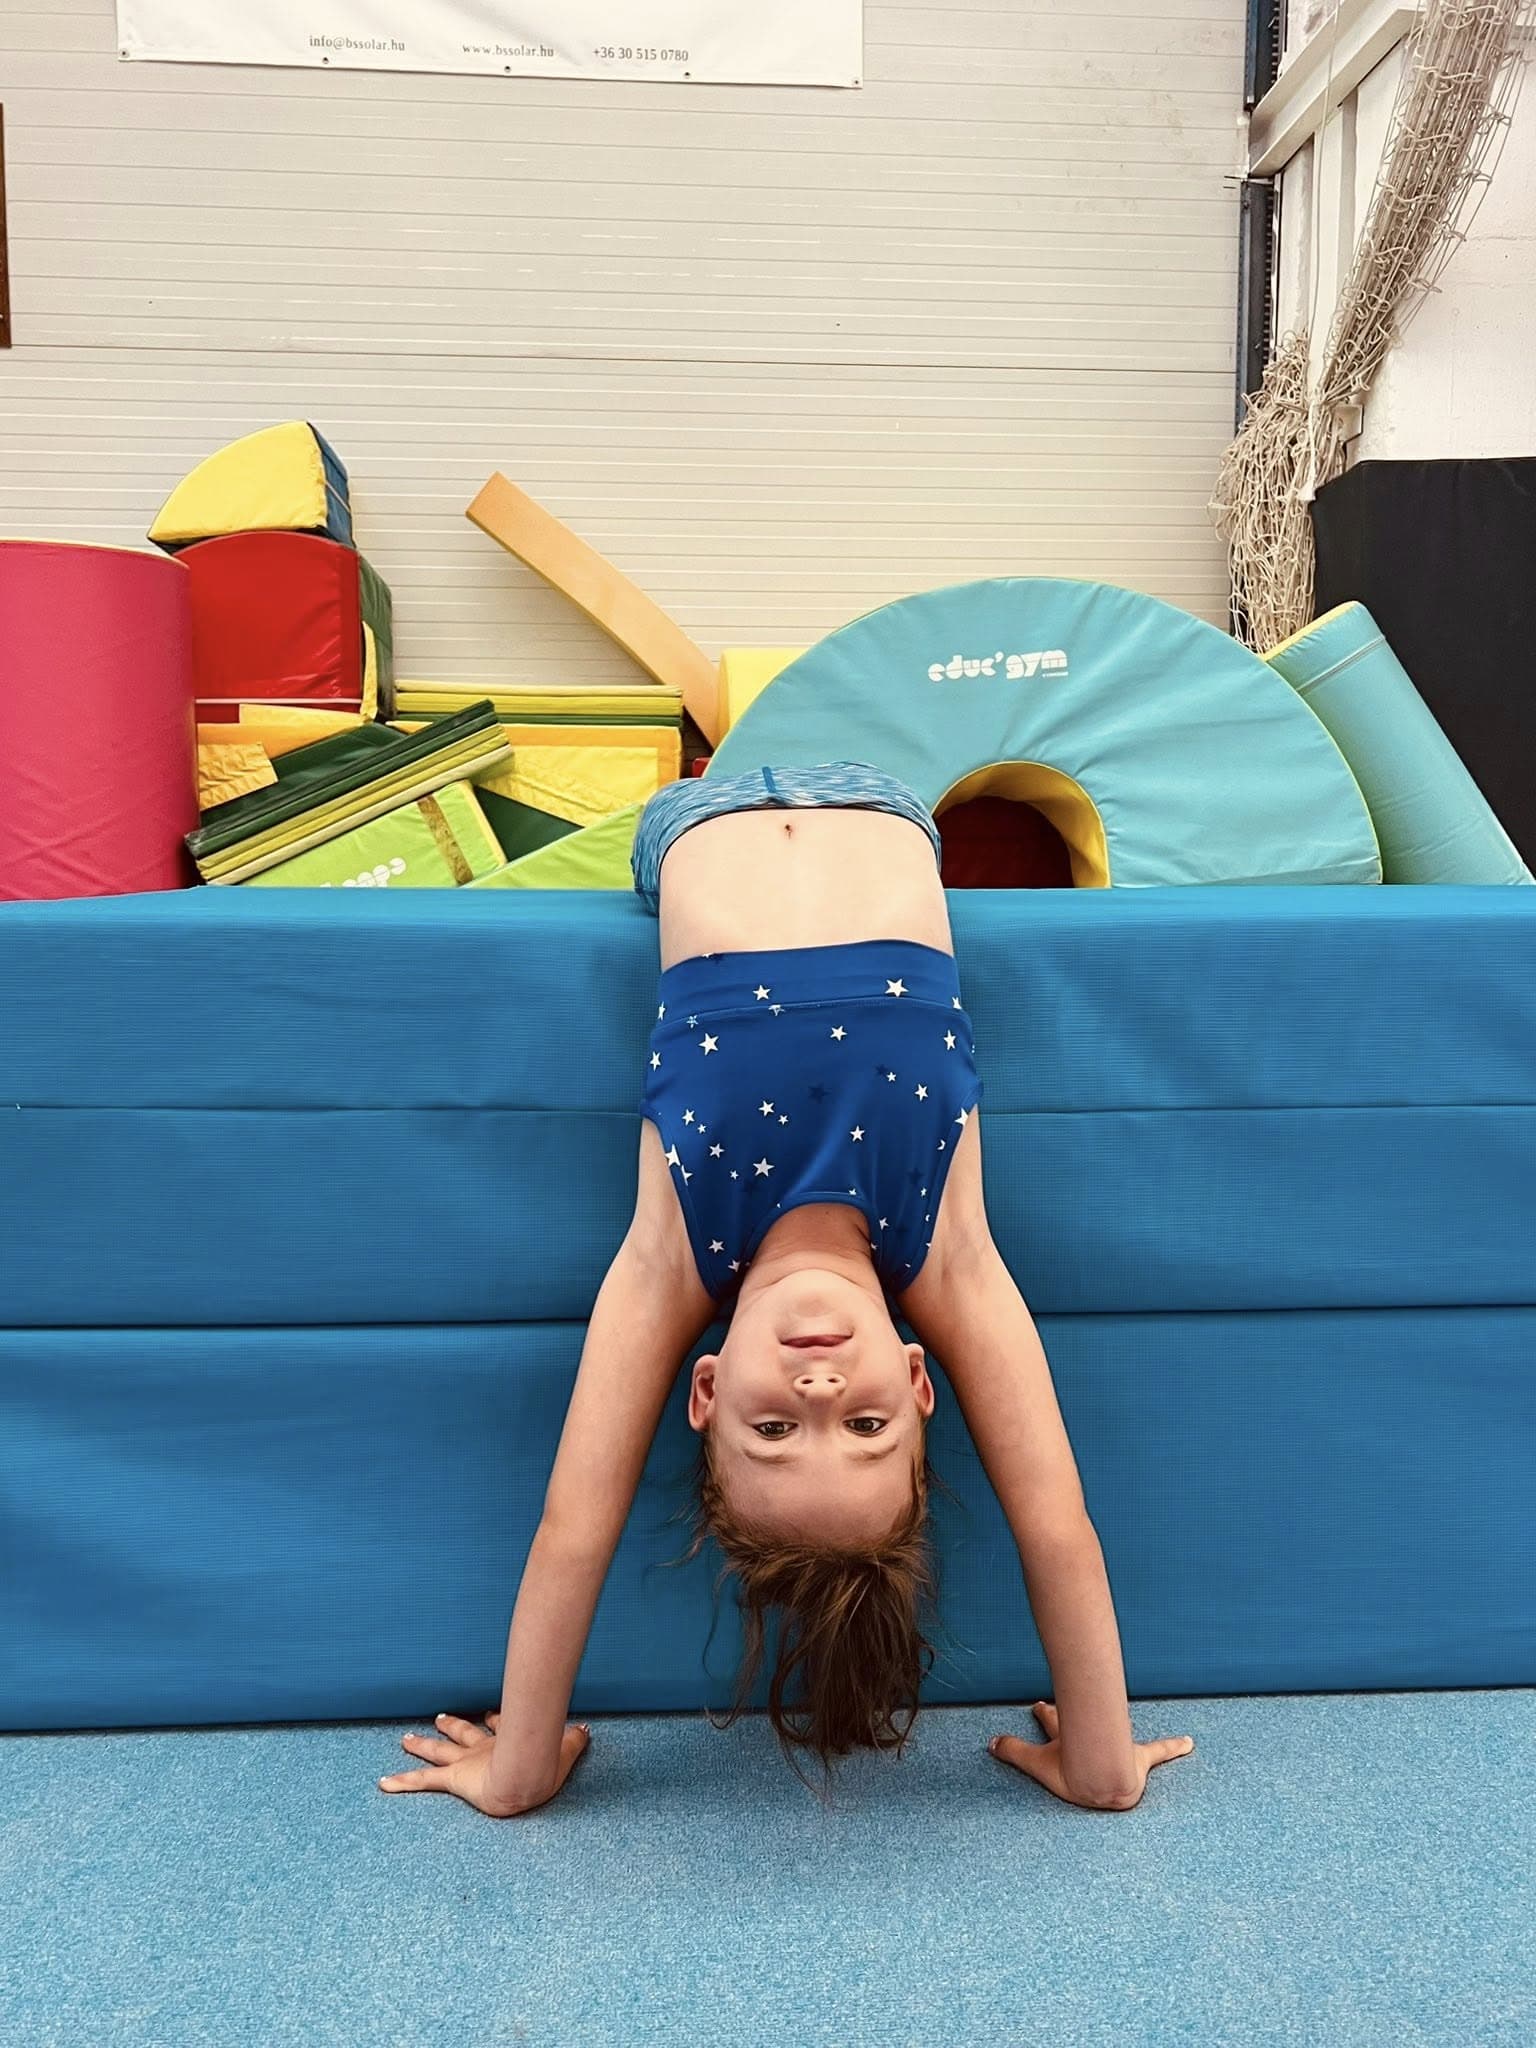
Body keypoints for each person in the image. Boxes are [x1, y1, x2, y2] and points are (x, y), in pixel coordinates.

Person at [379, 763, 1195, 1814]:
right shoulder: (950, 1256)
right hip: (877, 801)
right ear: (919, 1383)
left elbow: (572, 1528)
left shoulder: (671, 1262)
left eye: (773, 1430)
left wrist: (520, 1769)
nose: (819, 1393)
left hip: (701, 818)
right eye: (866, 1425)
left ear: (708, 1389)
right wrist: (1101, 1763)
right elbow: (1056, 1524)